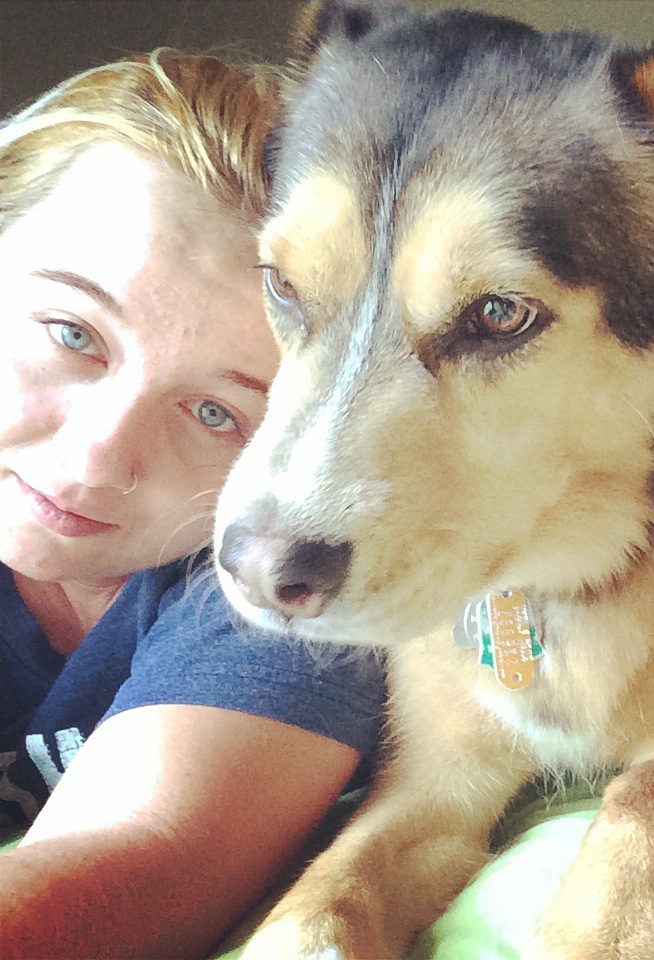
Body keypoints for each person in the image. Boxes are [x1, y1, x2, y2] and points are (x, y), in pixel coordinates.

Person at [0, 51, 384, 959]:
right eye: (71, 333)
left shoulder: (279, 579)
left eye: (217, 414)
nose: (98, 458)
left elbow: (143, 863)